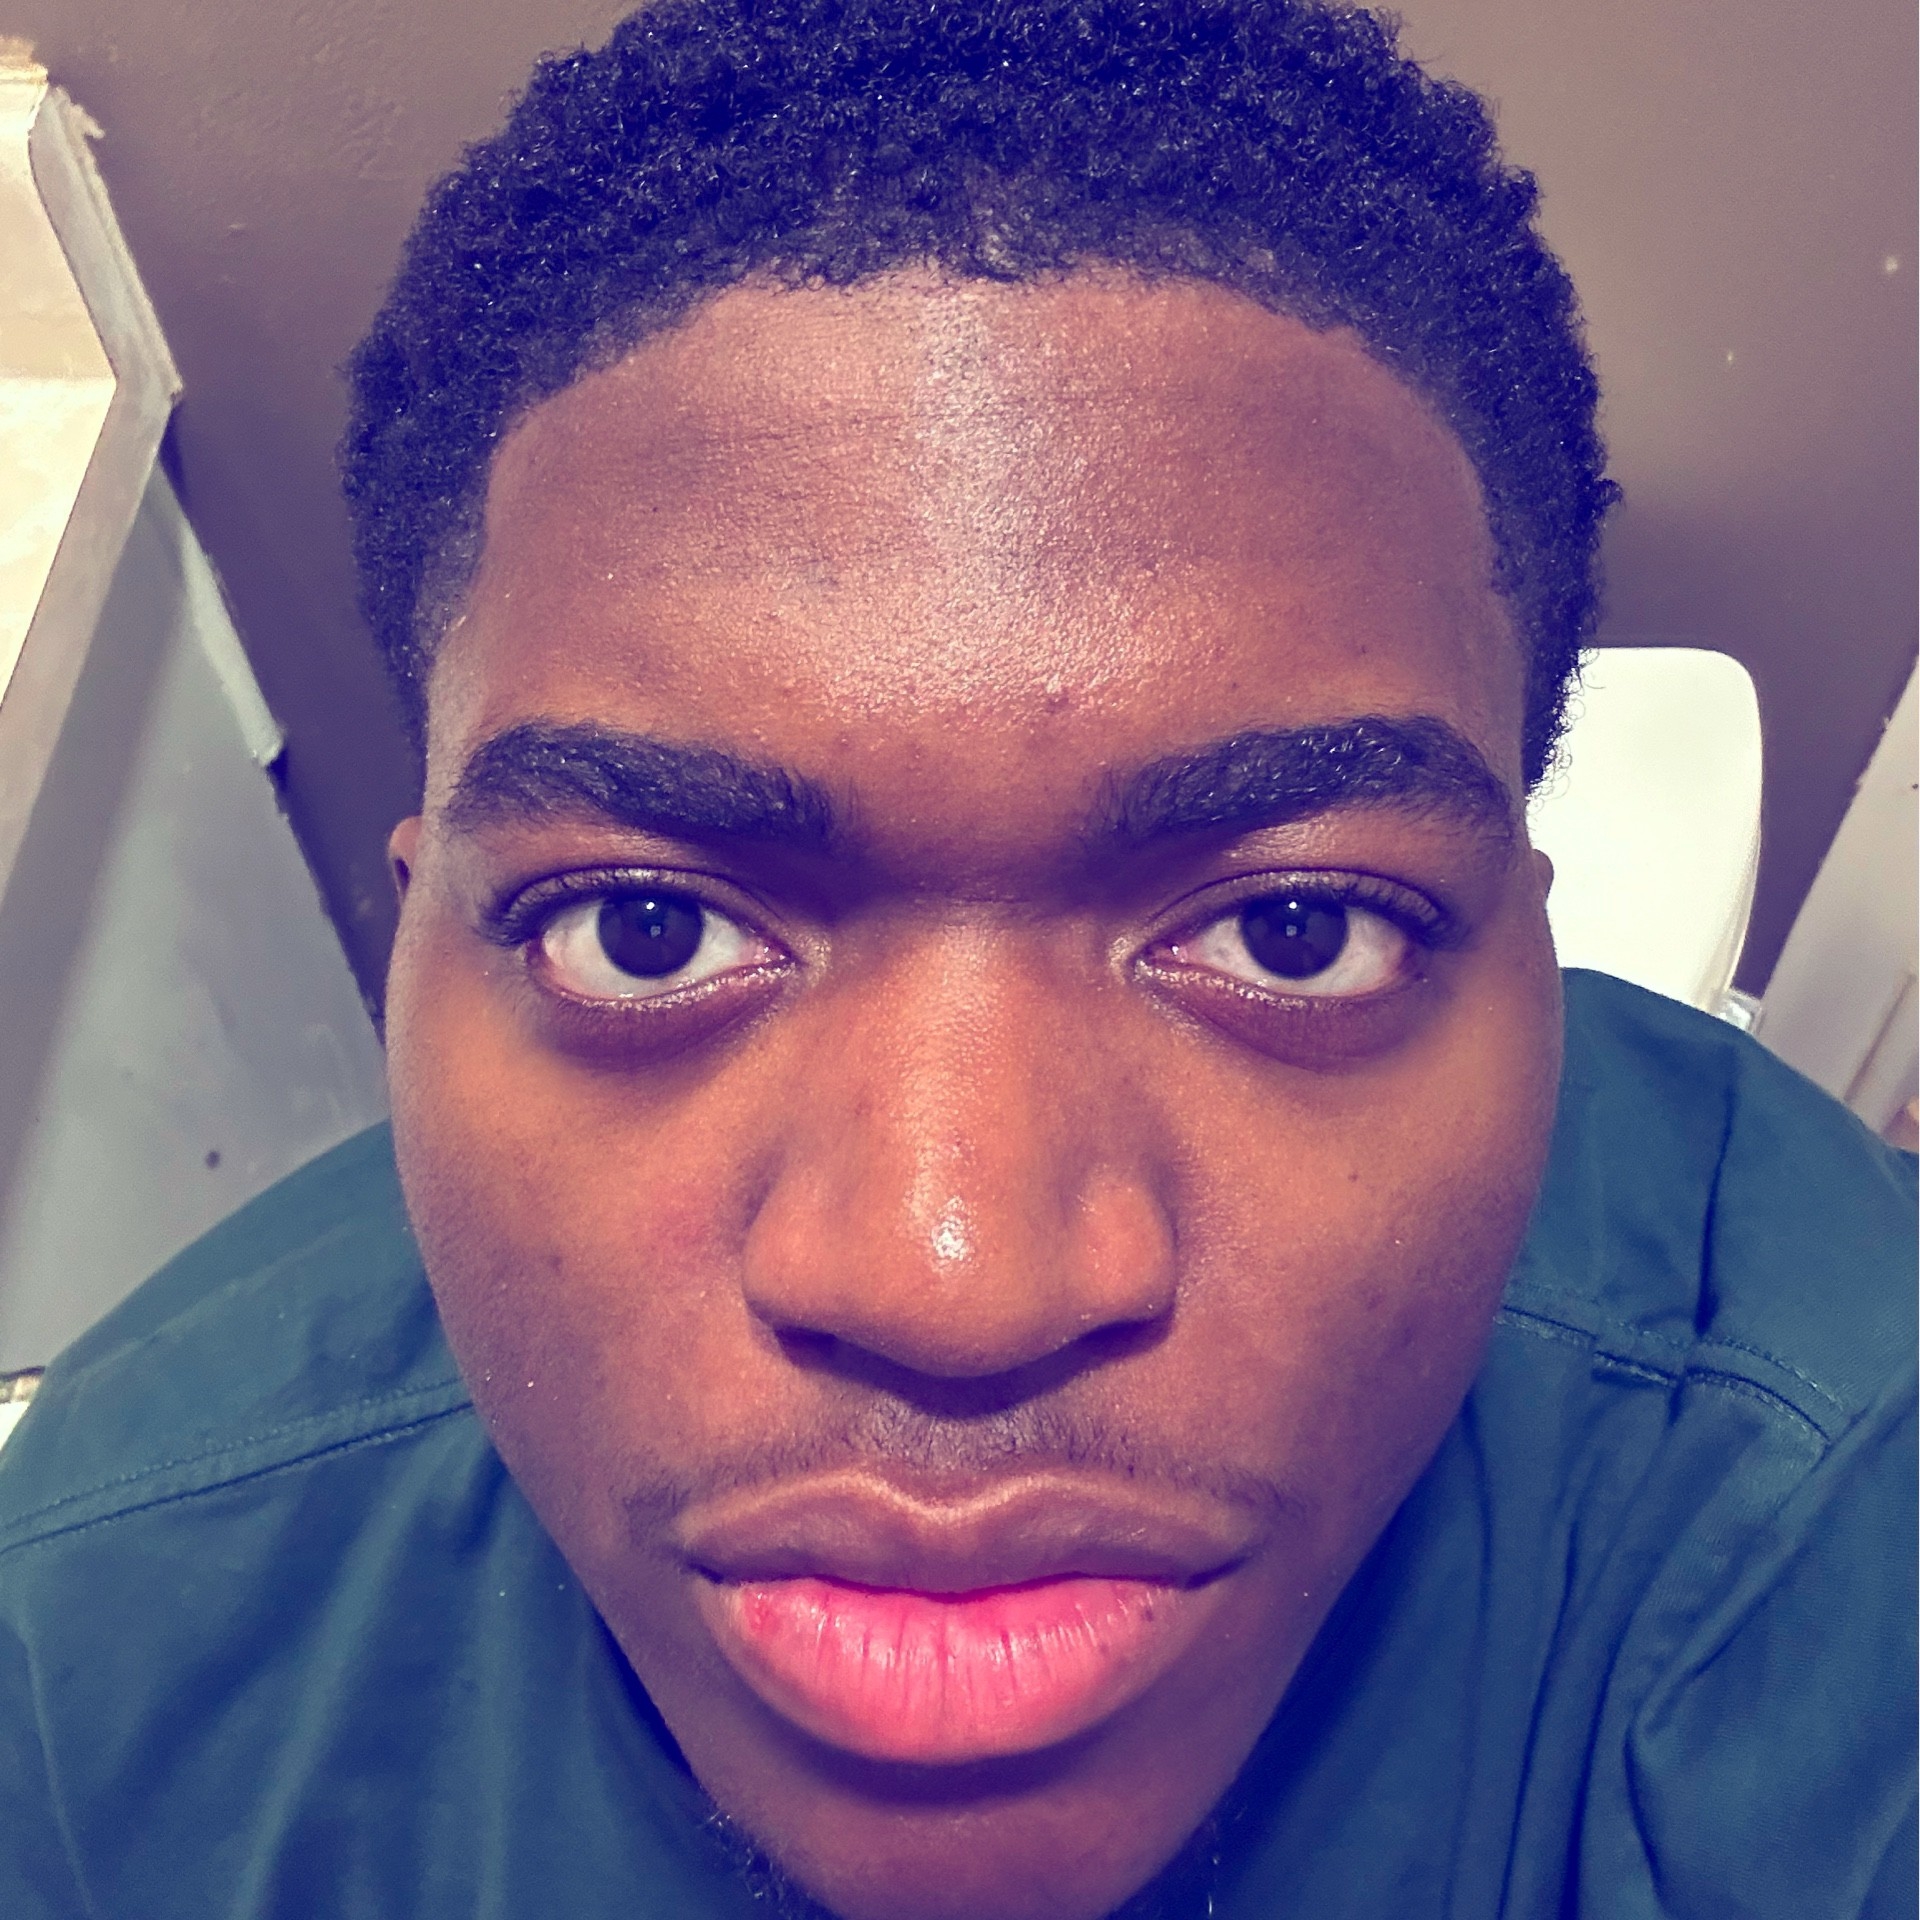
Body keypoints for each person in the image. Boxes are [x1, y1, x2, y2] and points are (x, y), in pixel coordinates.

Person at [1, 0, 1912, 1913]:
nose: (955, 1282)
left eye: (1295, 930)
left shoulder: (1831, 1511)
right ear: (423, 934)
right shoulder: (103, 1644)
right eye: (648, 930)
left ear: (1531, 961)